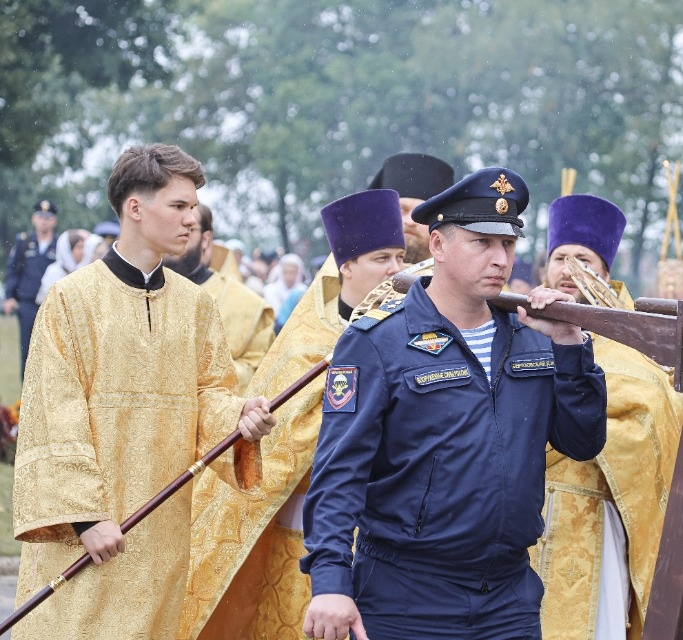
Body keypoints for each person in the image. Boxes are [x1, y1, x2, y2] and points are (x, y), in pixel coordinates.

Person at [301, 167, 608, 640]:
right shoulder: (379, 341)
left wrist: (569, 347)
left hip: (508, 598)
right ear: (438, 245)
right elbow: (340, 470)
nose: (500, 259)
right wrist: (329, 583)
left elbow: (582, 441)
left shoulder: (532, 339)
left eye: (507, 245)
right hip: (406, 595)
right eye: (481, 242)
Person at [11, 143, 277, 639]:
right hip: (88, 535)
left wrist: (241, 418)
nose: (191, 220)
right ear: (135, 207)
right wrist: (85, 518)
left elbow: (210, 394)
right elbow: (53, 416)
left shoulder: (197, 306)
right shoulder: (71, 300)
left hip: (161, 530)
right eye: (178, 206)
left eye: (194, 208)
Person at [180, 188, 407, 640]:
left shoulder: (410, 333)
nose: (396, 270)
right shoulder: (309, 341)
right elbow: (281, 442)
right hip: (304, 535)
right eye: (382, 257)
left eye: (400, 257)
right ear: (346, 266)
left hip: (389, 536)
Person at [535, 193, 683, 639]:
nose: (567, 268)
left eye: (581, 258)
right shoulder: (517, 326)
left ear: (605, 272)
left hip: (597, 517)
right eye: (559, 257)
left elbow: (651, 426)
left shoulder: (634, 343)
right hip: (520, 516)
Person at [163, 203, 275, 393]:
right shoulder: (131, 294)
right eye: (165, 225)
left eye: (187, 227)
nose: (173, 234)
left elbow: (261, 376)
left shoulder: (247, 304)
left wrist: (189, 375)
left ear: (206, 240)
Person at [368, 152, 455, 263]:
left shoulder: (462, 280)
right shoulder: (347, 276)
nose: (410, 222)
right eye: (400, 210)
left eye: (423, 214)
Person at [4, 199, 58, 379]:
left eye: (48, 217)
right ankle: (26, 400)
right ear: (34, 219)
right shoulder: (24, 242)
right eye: (41, 217)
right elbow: (13, 270)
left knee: (51, 350)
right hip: (27, 303)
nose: (44, 221)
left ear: (54, 221)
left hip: (52, 305)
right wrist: (10, 296)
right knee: (26, 350)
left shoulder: (59, 245)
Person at [35, 228, 91, 304]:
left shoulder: (81, 271)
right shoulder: (54, 271)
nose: (83, 251)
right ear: (67, 249)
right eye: (78, 247)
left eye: (83, 247)